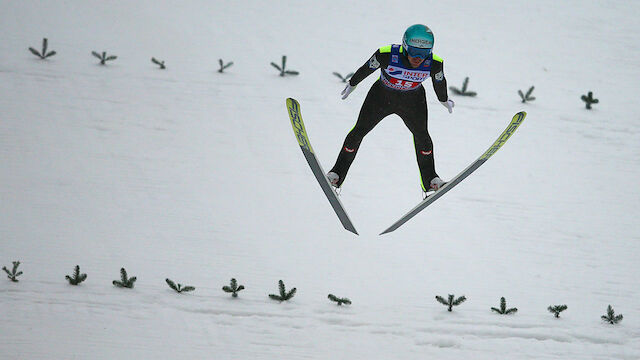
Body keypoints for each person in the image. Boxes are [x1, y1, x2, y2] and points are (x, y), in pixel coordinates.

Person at [327, 24, 454, 195]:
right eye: (414, 52)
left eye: (424, 54)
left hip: (412, 100)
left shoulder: (435, 63)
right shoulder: (387, 54)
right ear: (404, 46)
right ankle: (336, 174)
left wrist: (443, 99)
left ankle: (431, 181)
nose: (418, 58)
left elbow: (439, 82)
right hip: (381, 96)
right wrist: (353, 83)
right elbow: (366, 68)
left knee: (423, 137)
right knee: (358, 131)